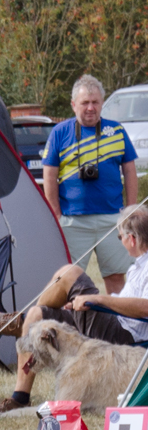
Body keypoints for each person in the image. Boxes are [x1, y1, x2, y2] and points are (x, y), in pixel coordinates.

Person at [0, 205, 148, 413]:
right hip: (114, 321)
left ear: (131, 239)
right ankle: (20, 396)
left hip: (125, 333)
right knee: (38, 315)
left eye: (119, 237)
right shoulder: (137, 266)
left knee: (70, 272)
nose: (121, 242)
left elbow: (145, 307)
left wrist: (98, 300)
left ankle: (20, 321)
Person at [42, 74, 138, 294]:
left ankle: (120, 326)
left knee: (116, 277)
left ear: (102, 103)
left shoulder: (116, 131)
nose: (90, 108)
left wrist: (130, 210)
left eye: (95, 102)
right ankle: (68, 326)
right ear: (74, 104)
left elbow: (130, 171)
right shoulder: (59, 133)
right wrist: (56, 215)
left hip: (112, 219)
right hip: (73, 221)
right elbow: (49, 175)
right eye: (85, 103)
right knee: (68, 281)